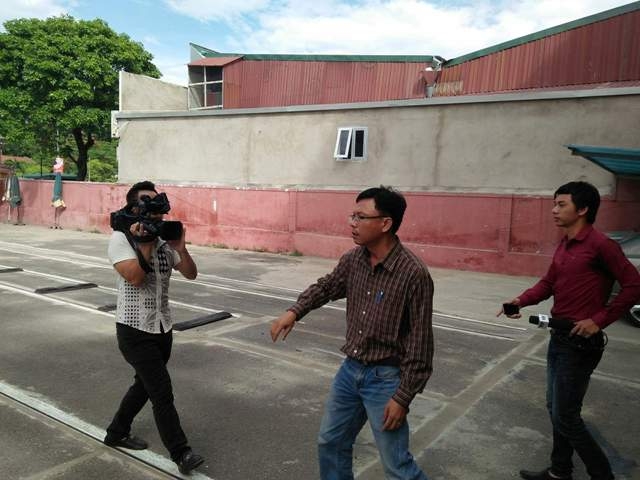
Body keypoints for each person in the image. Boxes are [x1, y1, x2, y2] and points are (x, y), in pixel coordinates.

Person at [271, 186, 434, 480]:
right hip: (351, 371)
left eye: (360, 217)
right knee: (331, 442)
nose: (352, 223)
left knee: (396, 465)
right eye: (352, 216)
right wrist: (295, 311)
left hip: (386, 379)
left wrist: (403, 397)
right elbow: (327, 286)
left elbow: (420, 343)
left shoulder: (413, 274)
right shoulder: (354, 260)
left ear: (385, 223)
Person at [498, 181, 640, 480]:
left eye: (561, 204)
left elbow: (633, 284)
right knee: (556, 408)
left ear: (583, 209)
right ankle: (560, 471)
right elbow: (548, 283)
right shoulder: (565, 244)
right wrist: (521, 300)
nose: (554, 210)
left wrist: (599, 320)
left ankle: (602, 475)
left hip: (581, 344)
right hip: (559, 337)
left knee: (566, 416)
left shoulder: (601, 246)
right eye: (555, 203)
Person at [104, 180, 205, 475]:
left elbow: (191, 273)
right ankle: (181, 452)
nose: (155, 211)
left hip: (162, 328)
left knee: (144, 386)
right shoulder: (120, 240)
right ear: (134, 208)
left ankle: (116, 432)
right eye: (147, 204)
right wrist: (145, 244)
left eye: (157, 205)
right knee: (161, 391)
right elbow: (135, 278)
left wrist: (181, 249)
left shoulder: (163, 240)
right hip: (134, 330)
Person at [51, 156, 65, 229]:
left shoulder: (57, 177)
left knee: (57, 209)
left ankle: (55, 223)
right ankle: (56, 223)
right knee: (58, 210)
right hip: (57, 197)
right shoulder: (58, 175)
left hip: (56, 196)